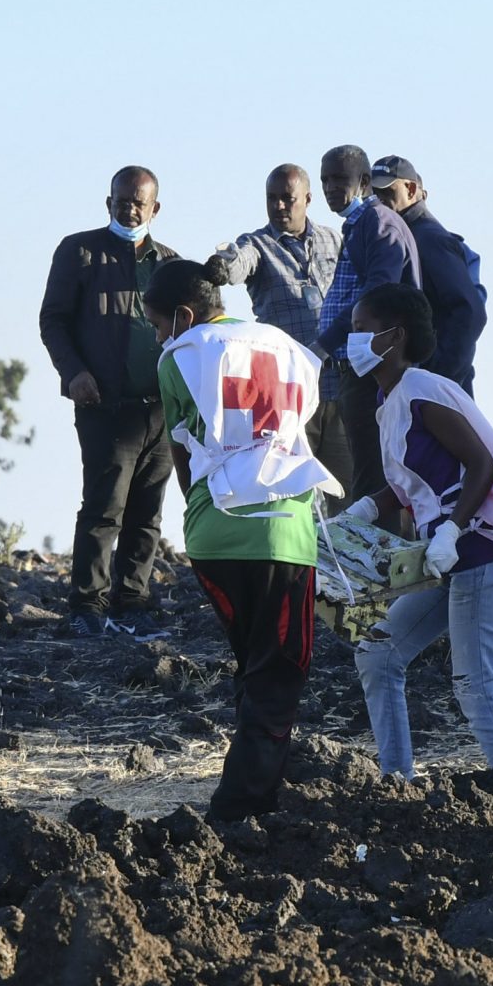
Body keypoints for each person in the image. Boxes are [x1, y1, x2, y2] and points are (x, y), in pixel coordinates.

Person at [341, 284, 493, 778]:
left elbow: (481, 464)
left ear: (394, 336)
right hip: (446, 557)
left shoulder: (423, 391)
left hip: (480, 553)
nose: (353, 339)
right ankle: (396, 781)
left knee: (475, 682)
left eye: (362, 329)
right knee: (378, 652)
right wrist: (365, 509)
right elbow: (411, 485)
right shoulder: (390, 400)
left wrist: (451, 530)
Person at [144, 259, 336, 819]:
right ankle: (241, 809)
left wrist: (198, 508)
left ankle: (256, 788)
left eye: (159, 325)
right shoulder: (289, 346)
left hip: (216, 532)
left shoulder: (179, 356)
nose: (159, 337)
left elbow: (182, 449)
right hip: (283, 531)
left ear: (184, 316)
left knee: (256, 664)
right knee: (279, 673)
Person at [39, 165, 184, 637]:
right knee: (104, 507)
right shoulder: (79, 252)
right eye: (121, 202)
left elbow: (190, 331)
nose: (129, 210)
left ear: (154, 209)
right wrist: (74, 373)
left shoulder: (170, 265)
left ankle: (133, 604)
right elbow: (53, 322)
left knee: (148, 512)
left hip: (160, 408)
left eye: (138, 204)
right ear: (109, 204)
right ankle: (87, 607)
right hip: (103, 405)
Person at [205, 164, 350, 495]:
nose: (279, 206)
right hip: (289, 393)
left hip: (337, 384)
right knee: (293, 491)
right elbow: (238, 262)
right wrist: (223, 266)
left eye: (288, 198)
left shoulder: (334, 240)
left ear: (307, 199)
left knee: (348, 490)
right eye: (272, 199)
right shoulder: (257, 244)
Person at [314, 144, 421, 504]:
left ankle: (380, 558)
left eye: (339, 179)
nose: (330, 187)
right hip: (358, 368)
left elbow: (378, 294)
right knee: (367, 472)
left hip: (374, 368)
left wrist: (325, 341)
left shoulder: (378, 224)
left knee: (374, 478)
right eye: (325, 179)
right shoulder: (358, 226)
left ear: (362, 182)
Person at [366, 156, 487, 393]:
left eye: (386, 192)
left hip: (436, 387)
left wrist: (437, 377)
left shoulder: (429, 238)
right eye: (374, 194)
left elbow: (469, 311)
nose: (378, 201)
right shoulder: (402, 233)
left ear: (411, 189)